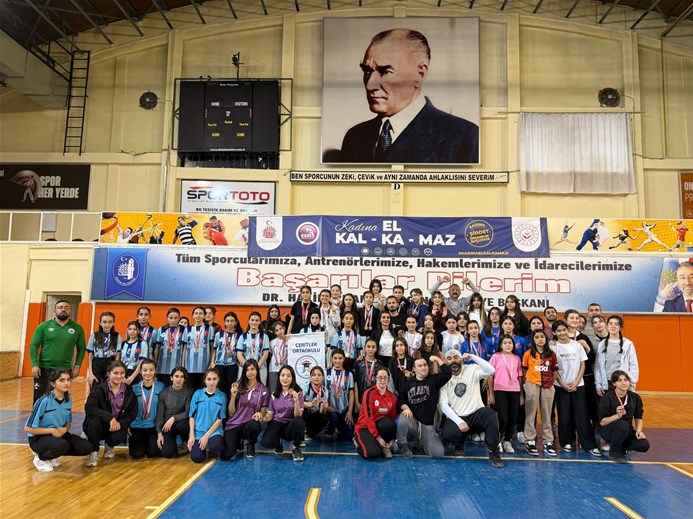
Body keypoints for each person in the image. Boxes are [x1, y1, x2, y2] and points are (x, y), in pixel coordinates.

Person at [335, 28, 478, 164]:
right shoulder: (355, 137)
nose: (370, 85)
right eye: (367, 71)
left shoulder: (465, 138)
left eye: (386, 71)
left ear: (420, 74)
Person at [438, 349, 504, 468]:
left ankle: (493, 451)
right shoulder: (443, 379)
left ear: (461, 360)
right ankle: (459, 444)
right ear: (446, 362)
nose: (453, 360)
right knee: (448, 433)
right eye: (449, 358)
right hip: (457, 417)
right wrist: (459, 421)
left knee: (490, 414)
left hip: (475, 416)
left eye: (456, 357)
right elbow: (443, 405)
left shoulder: (472, 369)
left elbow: (491, 370)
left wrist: (473, 357)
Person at [25, 369, 92, 472]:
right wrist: (52, 431)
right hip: (39, 438)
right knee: (62, 445)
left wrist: (64, 429)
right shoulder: (44, 400)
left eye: (68, 380)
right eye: (62, 380)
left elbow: (68, 423)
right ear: (53, 384)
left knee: (86, 447)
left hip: (59, 435)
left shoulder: (68, 399)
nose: (66, 383)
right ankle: (41, 458)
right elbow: (28, 428)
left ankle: (52, 454)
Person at [550, 320, 600, 456]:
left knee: (582, 415)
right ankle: (566, 442)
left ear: (568, 330)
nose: (562, 333)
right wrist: (563, 384)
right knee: (564, 415)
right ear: (554, 333)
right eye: (558, 331)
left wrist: (577, 381)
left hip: (579, 385)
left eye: (564, 330)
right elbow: (554, 369)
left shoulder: (577, 345)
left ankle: (589, 444)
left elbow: (583, 364)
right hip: (561, 386)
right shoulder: (553, 348)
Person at [29, 299, 86, 403]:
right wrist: (34, 365)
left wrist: (77, 366)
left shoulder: (77, 329)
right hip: (43, 369)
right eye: (60, 307)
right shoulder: (43, 326)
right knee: (39, 399)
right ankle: (38, 414)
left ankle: (59, 414)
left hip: (64, 370)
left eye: (67, 308)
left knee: (60, 399)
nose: (63, 309)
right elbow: (33, 345)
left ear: (70, 311)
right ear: (54, 311)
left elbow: (82, 348)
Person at [83, 360, 137, 467]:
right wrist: (109, 417)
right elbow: (89, 407)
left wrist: (121, 424)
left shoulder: (129, 391)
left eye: (122, 373)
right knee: (94, 423)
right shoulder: (99, 389)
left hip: (116, 426)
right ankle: (94, 451)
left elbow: (132, 413)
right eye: (115, 373)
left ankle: (109, 445)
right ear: (108, 374)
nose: (119, 376)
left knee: (119, 436)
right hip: (100, 424)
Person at [396, 355, 452, 458]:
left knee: (438, 454)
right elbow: (400, 400)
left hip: (427, 425)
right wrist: (406, 408)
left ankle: (422, 442)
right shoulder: (408, 384)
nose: (423, 367)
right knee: (403, 416)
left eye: (425, 365)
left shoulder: (434, 380)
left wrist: (437, 359)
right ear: (414, 369)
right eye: (420, 366)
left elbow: (448, 373)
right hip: (413, 422)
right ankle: (401, 444)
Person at [597, 371, 650, 463]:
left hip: (627, 429)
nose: (623, 383)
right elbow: (602, 422)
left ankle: (621, 445)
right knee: (622, 425)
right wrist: (617, 416)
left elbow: (638, 417)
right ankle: (614, 451)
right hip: (607, 429)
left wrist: (639, 431)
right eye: (619, 380)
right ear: (614, 383)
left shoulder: (635, 397)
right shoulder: (607, 398)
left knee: (643, 445)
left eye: (625, 380)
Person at [221, 360, 269, 460]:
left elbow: (263, 411)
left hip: (249, 425)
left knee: (255, 424)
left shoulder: (264, 390)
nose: (250, 372)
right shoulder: (238, 387)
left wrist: (260, 414)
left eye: (252, 369)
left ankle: (251, 444)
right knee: (226, 455)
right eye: (247, 370)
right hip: (235, 424)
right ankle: (238, 440)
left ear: (257, 371)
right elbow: (231, 413)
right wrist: (233, 397)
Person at [522, 330, 558, 457]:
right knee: (530, 413)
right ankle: (530, 440)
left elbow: (554, 370)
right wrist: (526, 383)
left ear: (545, 339)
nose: (540, 339)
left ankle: (548, 441)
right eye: (537, 337)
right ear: (533, 340)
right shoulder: (528, 353)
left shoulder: (551, 354)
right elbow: (524, 369)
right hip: (532, 383)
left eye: (542, 337)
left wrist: (551, 382)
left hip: (548, 385)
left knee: (547, 414)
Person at [260, 365, 306, 462]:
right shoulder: (274, 394)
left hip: (290, 426)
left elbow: (298, 415)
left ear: (292, 378)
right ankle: (278, 443)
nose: (285, 378)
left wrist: (296, 401)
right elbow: (270, 415)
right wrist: (262, 418)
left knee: (299, 421)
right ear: (279, 377)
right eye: (282, 375)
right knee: (266, 442)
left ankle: (296, 447)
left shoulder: (298, 393)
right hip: (277, 424)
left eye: (288, 376)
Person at [488, 335, 523, 454]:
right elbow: (490, 376)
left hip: (515, 390)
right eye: (505, 343)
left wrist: (521, 395)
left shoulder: (517, 358)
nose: (508, 345)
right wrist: (491, 393)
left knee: (513, 418)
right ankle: (498, 439)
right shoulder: (495, 357)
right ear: (501, 345)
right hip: (500, 389)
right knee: (503, 417)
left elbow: (519, 377)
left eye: (510, 343)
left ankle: (507, 440)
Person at [353, 367, 398, 460]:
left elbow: (394, 419)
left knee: (389, 424)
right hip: (364, 427)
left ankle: (384, 447)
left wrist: (393, 439)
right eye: (380, 377)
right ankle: (358, 444)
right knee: (372, 454)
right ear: (375, 378)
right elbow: (369, 418)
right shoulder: (369, 393)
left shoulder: (392, 397)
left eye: (385, 377)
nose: (382, 380)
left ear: (388, 379)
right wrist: (378, 438)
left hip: (379, 427)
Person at [188, 368, 227, 463]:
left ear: (218, 380)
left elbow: (220, 419)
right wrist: (191, 435)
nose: (211, 382)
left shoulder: (222, 396)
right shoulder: (197, 394)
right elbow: (192, 416)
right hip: (198, 432)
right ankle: (201, 447)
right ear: (205, 380)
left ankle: (211, 447)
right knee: (197, 458)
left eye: (214, 379)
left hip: (214, 432)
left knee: (216, 447)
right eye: (209, 379)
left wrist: (206, 436)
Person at [128, 359, 164, 459]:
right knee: (137, 454)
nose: (148, 373)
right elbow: (128, 409)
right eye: (145, 370)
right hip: (137, 426)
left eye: (151, 370)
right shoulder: (134, 388)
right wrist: (127, 425)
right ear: (140, 371)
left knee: (153, 453)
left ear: (155, 371)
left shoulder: (161, 386)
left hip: (153, 426)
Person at [595, 316, 639, 396]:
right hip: (607, 382)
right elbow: (598, 367)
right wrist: (598, 384)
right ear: (607, 326)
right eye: (610, 324)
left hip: (622, 382)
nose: (613, 326)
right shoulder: (602, 344)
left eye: (616, 324)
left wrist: (631, 382)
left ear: (620, 327)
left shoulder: (628, 344)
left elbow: (634, 365)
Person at [156, 366, 194, 458]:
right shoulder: (163, 393)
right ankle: (173, 446)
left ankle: (185, 441)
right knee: (167, 453)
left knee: (183, 426)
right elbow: (160, 416)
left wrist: (174, 418)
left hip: (182, 422)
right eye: (176, 376)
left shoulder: (189, 391)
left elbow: (188, 412)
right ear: (171, 378)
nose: (179, 379)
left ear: (184, 379)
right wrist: (159, 433)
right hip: (168, 425)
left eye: (182, 377)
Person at [324, 349, 356, 441]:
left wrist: (349, 412)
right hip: (330, 409)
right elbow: (322, 391)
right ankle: (329, 429)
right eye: (335, 358)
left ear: (344, 359)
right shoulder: (326, 373)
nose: (337, 361)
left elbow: (351, 394)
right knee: (333, 418)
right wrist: (326, 406)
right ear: (331, 359)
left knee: (349, 435)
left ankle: (338, 430)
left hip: (343, 409)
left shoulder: (349, 374)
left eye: (340, 358)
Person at [86, 311, 122, 388]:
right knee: (95, 388)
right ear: (100, 323)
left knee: (109, 388)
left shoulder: (117, 336)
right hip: (97, 363)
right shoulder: (94, 335)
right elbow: (90, 355)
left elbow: (117, 355)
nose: (107, 325)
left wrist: (114, 370)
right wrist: (90, 373)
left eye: (110, 322)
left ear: (113, 323)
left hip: (110, 363)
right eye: (104, 322)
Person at [153, 308, 187, 387]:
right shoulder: (161, 329)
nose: (173, 320)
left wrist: (183, 365)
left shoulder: (184, 330)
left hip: (177, 365)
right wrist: (154, 364)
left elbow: (185, 348)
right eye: (171, 318)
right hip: (162, 366)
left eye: (175, 318)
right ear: (167, 318)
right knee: (162, 387)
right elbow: (157, 348)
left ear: (179, 318)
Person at [211, 311, 242, 396]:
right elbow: (214, 349)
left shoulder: (240, 335)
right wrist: (212, 362)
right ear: (224, 322)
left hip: (232, 364)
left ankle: (230, 404)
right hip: (219, 364)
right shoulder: (219, 334)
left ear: (236, 322)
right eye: (227, 321)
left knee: (230, 388)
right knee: (218, 387)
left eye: (232, 321)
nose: (229, 323)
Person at [183, 306, 214, 389]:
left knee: (202, 389)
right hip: (189, 366)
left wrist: (211, 362)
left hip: (204, 365)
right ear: (193, 316)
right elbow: (185, 348)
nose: (198, 315)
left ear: (204, 316)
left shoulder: (209, 329)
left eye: (200, 313)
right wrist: (183, 364)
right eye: (196, 313)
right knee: (190, 389)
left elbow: (212, 347)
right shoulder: (187, 329)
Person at [236, 312, 270, 385]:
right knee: (244, 388)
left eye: (257, 320)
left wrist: (256, 368)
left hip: (260, 369)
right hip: (245, 369)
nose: (254, 322)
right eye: (252, 320)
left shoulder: (264, 336)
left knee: (260, 389)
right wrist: (247, 367)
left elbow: (265, 354)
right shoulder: (243, 336)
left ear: (260, 322)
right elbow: (239, 354)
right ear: (248, 321)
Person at [353, 339, 384, 410]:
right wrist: (357, 402)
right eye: (368, 346)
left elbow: (382, 384)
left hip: (375, 399)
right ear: (364, 348)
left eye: (373, 347)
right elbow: (355, 383)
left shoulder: (379, 364)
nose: (371, 349)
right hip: (361, 399)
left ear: (376, 349)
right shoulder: (358, 363)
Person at [303, 366, 330, 439]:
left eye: (319, 375)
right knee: (301, 411)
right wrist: (310, 404)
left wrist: (323, 408)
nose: (316, 377)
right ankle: (301, 431)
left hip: (315, 415)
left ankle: (309, 434)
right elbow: (297, 403)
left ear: (323, 377)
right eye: (314, 375)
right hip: (305, 414)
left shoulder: (325, 391)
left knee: (324, 418)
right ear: (310, 377)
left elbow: (322, 412)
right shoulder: (305, 387)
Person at [268, 321, 288, 392]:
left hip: (285, 369)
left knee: (284, 390)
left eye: (280, 329)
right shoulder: (272, 342)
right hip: (273, 369)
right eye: (276, 330)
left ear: (284, 328)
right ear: (275, 333)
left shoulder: (290, 340)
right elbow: (270, 354)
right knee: (273, 390)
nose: (279, 331)